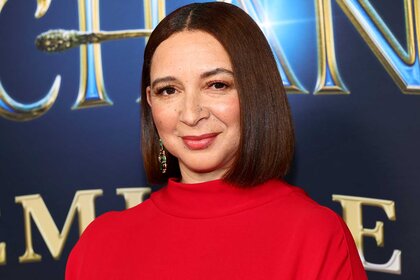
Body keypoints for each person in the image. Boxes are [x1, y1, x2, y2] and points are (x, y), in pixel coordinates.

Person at [66, 2, 368, 279]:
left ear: (255, 93)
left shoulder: (316, 236)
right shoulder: (99, 245)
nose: (191, 114)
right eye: (168, 90)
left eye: (217, 85)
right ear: (150, 103)